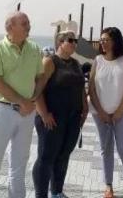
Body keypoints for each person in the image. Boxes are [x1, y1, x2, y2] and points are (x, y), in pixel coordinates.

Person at [0, 11, 45, 198]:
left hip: (27, 114)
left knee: (19, 165)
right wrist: (22, 102)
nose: (28, 25)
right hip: (1, 112)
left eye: (28, 22)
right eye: (24, 23)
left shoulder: (35, 49)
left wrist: (32, 100)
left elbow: (40, 78)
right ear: (10, 27)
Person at [32, 31, 88, 198]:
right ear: (60, 42)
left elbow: (80, 88)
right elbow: (37, 90)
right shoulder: (49, 62)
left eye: (75, 41)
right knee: (46, 157)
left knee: (63, 156)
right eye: (70, 40)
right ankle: (41, 194)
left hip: (73, 118)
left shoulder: (76, 64)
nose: (74, 44)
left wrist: (84, 109)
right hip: (53, 118)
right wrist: (44, 114)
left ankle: (57, 191)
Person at [89, 27, 123, 198]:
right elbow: (91, 88)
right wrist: (101, 112)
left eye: (106, 39)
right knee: (106, 148)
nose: (102, 43)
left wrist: (119, 111)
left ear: (115, 41)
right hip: (100, 113)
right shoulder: (97, 60)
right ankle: (109, 187)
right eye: (101, 39)